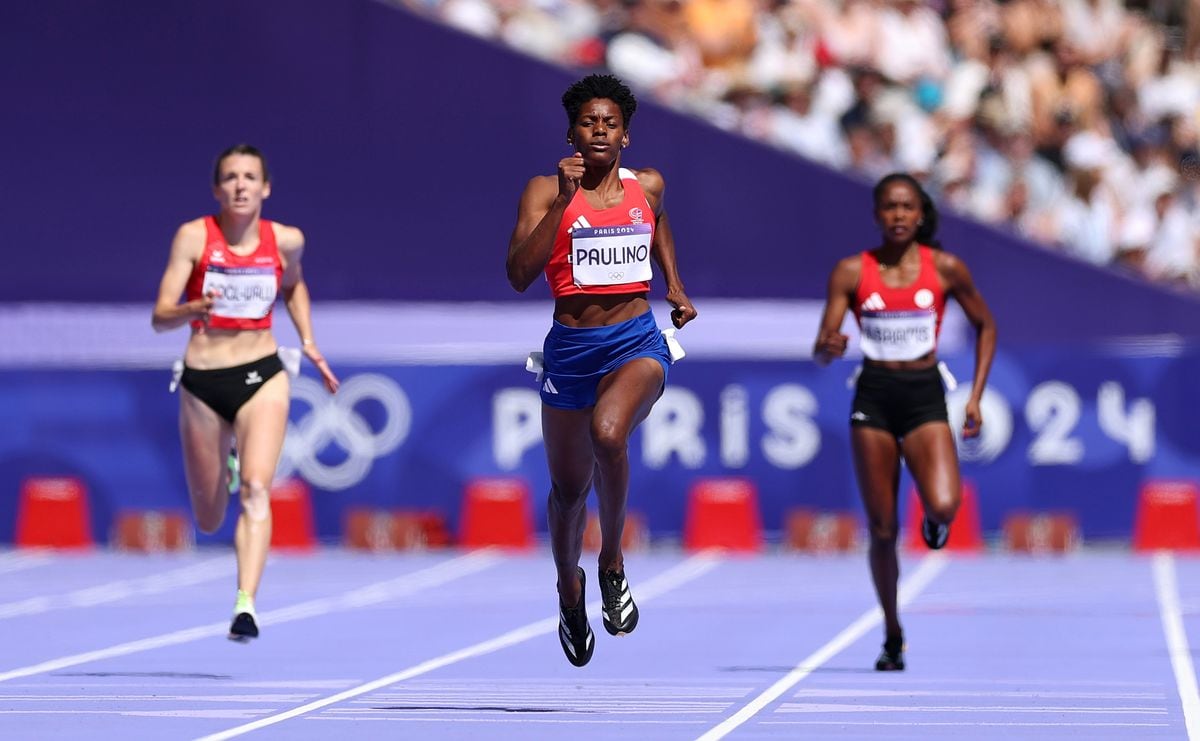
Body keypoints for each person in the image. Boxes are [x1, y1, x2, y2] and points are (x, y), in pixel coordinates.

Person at [506, 74, 698, 667]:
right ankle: (570, 591)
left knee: (609, 434)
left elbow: (658, 218)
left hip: (635, 339)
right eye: (588, 122)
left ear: (625, 137)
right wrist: (563, 205)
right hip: (570, 348)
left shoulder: (650, 186)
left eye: (609, 123)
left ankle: (611, 560)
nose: (598, 130)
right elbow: (517, 274)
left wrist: (674, 285)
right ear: (571, 133)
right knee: (567, 493)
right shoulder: (544, 190)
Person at [151, 144, 339, 642]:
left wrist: (310, 343)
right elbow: (158, 316)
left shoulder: (286, 241)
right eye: (230, 177)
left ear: (265, 187)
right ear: (217, 189)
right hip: (202, 380)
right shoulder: (194, 237)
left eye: (249, 177)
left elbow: (294, 287)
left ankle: (246, 604)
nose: (240, 185)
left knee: (258, 489)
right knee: (210, 517)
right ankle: (226, 467)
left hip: (263, 373)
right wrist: (194, 307)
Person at [813, 172, 996, 671]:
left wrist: (975, 397)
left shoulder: (945, 269)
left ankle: (935, 525)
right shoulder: (852, 271)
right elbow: (822, 346)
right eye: (889, 207)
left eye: (907, 207)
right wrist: (829, 347)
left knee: (943, 503)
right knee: (883, 529)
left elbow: (986, 325)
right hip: (872, 399)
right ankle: (893, 634)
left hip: (923, 399)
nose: (897, 215)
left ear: (920, 215)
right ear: (877, 215)